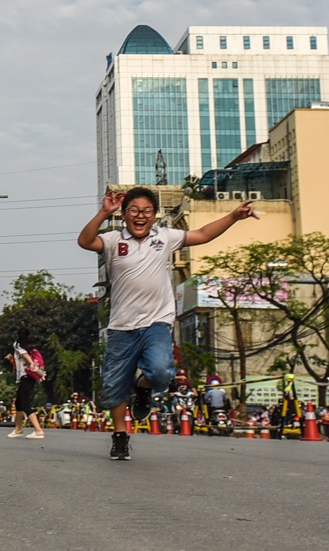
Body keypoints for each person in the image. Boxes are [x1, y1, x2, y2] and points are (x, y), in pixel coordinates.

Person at [76, 185, 257, 460]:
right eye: (134, 211)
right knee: (115, 387)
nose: (140, 216)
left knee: (162, 372)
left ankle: (144, 388)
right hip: (121, 326)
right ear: (124, 215)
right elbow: (85, 241)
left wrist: (234, 216)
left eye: (147, 211)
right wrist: (103, 212)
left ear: (154, 215)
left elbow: (203, 234)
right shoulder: (113, 240)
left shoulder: (165, 237)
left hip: (157, 322)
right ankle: (120, 436)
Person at [7, 343, 46, 439]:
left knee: (25, 404)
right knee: (18, 404)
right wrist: (12, 360)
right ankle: (18, 429)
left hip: (27, 377)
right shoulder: (30, 349)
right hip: (27, 377)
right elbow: (19, 364)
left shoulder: (19, 346)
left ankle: (38, 430)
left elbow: (25, 356)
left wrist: (31, 363)